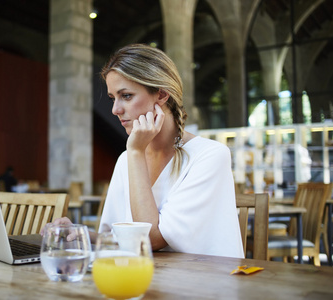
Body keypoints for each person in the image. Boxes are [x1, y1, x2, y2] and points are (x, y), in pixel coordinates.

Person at [51, 44, 244, 258]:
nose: (115, 110)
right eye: (112, 98)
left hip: (199, 285)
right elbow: (118, 240)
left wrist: (135, 152)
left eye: (126, 96)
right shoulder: (127, 159)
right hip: (143, 279)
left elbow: (150, 240)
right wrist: (77, 233)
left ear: (161, 95)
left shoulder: (210, 156)